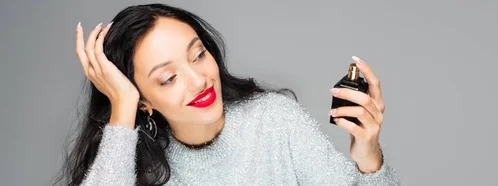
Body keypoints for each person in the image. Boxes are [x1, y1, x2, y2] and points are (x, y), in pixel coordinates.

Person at [56, 3, 400, 186]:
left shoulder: (274, 121)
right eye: (169, 78)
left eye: (199, 55)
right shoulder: (135, 168)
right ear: (142, 99)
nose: (199, 80)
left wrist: (369, 155)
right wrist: (122, 109)